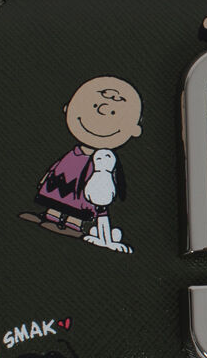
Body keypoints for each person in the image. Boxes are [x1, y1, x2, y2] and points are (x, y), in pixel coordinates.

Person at [20, 76, 143, 251]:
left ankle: (73, 225)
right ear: (68, 108)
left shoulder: (102, 162)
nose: (101, 113)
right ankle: (51, 216)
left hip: (82, 191)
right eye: (94, 106)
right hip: (62, 180)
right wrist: (46, 177)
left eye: (113, 113)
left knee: (78, 206)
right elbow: (58, 165)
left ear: (134, 130)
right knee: (57, 199)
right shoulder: (74, 153)